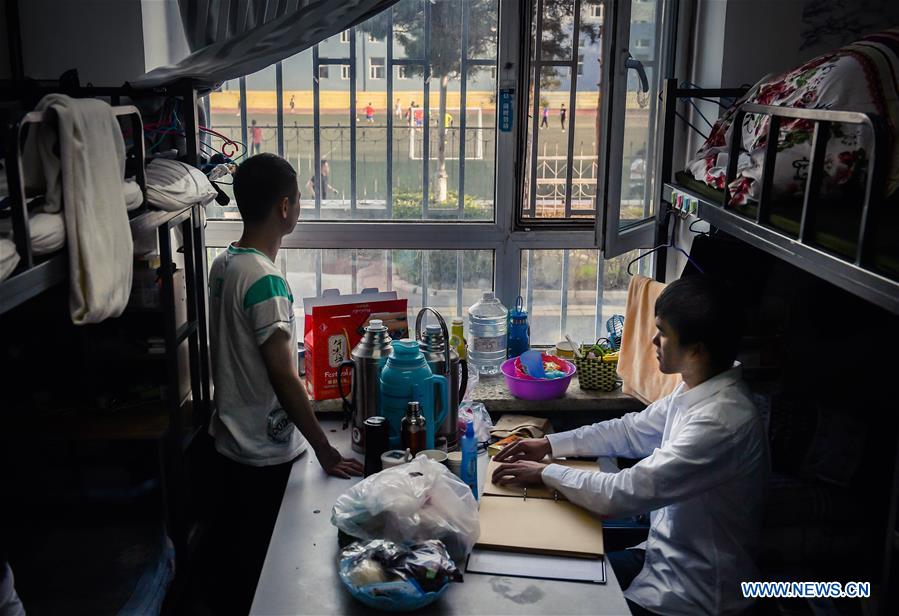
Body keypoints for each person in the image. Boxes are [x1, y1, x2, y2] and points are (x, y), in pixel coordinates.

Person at [493, 275, 769, 616]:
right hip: (657, 558)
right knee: (554, 582)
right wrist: (549, 443)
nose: (654, 340)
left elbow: (622, 494)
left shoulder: (721, 422)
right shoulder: (696, 389)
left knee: (555, 604)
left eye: (663, 333)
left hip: (691, 594)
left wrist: (547, 472)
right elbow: (629, 430)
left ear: (695, 349)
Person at [207, 154, 362, 613]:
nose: (299, 206)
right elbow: (282, 374)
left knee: (243, 570)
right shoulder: (265, 280)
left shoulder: (226, 264)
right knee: (268, 582)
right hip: (263, 455)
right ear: (284, 208)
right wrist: (325, 448)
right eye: (298, 199)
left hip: (230, 441)